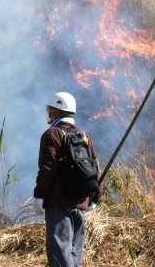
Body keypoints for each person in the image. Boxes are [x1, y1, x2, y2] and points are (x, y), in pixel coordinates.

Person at [33, 92, 103, 267]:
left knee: (60, 257)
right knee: (74, 256)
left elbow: (47, 170)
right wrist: (95, 198)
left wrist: (39, 196)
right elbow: (96, 170)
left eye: (51, 110)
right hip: (81, 203)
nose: (49, 114)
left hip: (58, 204)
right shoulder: (83, 136)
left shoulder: (52, 135)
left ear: (58, 112)